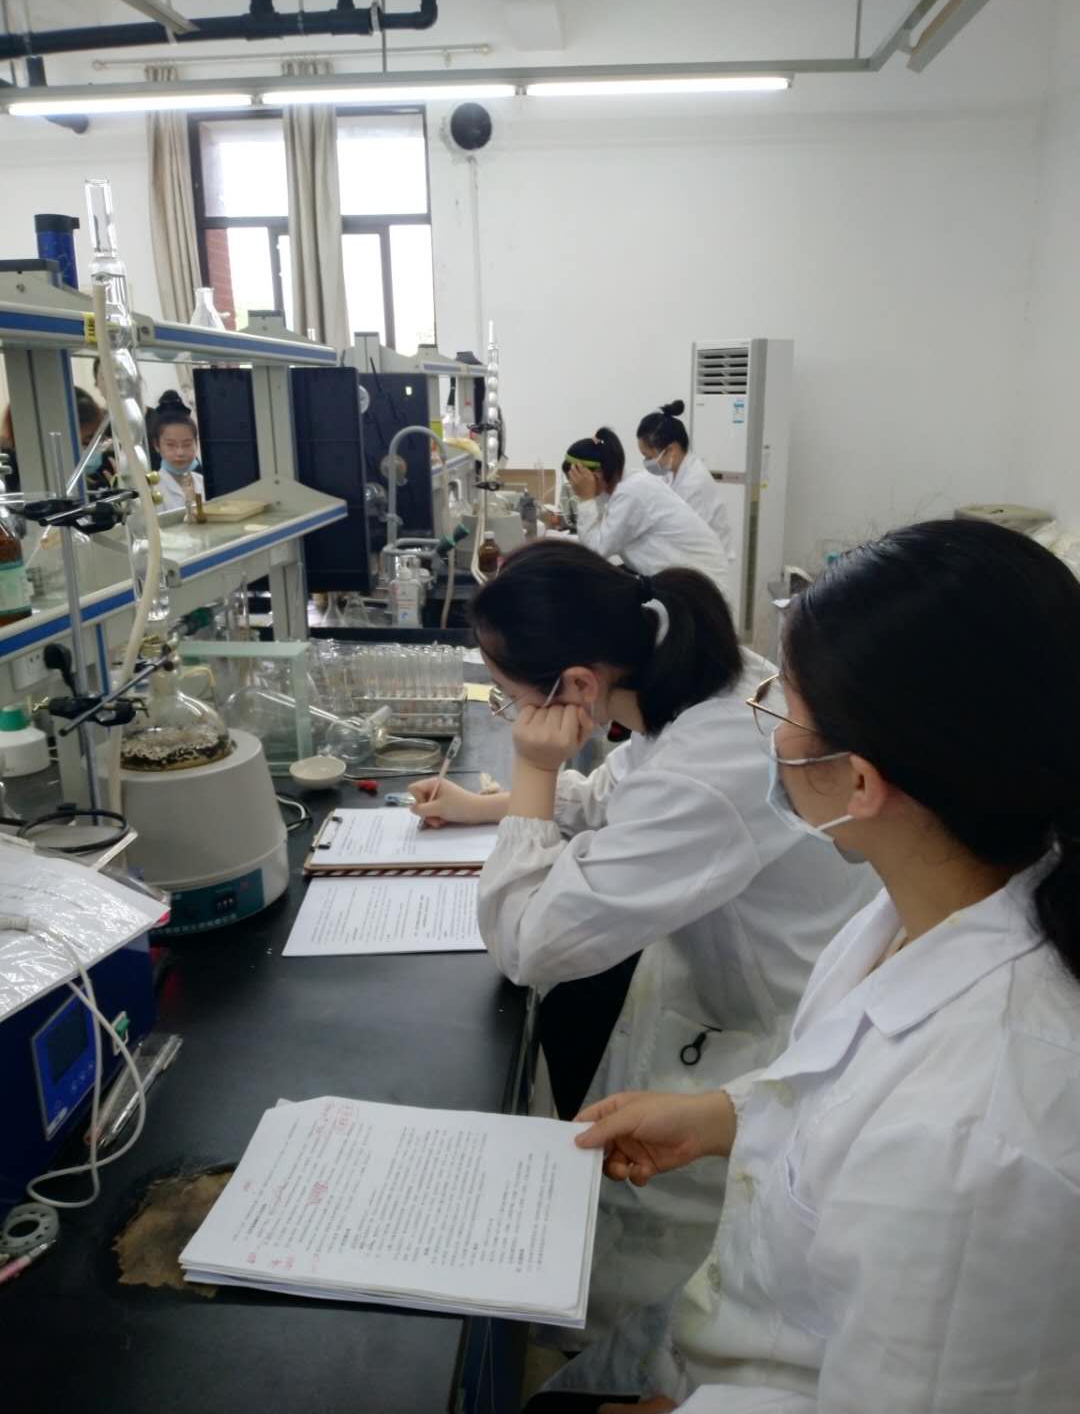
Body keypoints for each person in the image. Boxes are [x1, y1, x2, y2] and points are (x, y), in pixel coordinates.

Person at [540, 518, 1080, 1413]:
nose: (768, 729)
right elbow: (856, 1080)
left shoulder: (977, 1142)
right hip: (717, 1343)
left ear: (861, 782)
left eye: (783, 704)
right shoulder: (931, 902)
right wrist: (725, 1114)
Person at [409, 541, 876, 1341]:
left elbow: (528, 946)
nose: (513, 717)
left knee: (655, 1290)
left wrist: (531, 770)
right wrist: (486, 805)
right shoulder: (697, 678)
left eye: (510, 702)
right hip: (714, 1002)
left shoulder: (712, 764)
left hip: (767, 1036)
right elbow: (615, 793)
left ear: (576, 687)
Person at [565, 428, 730, 591]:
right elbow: (600, 531)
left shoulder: (631, 492)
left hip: (700, 587)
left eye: (576, 483)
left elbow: (595, 551)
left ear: (597, 474)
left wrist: (585, 499)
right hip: (685, 578)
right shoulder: (623, 485)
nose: (575, 488)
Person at [637, 401, 734, 566]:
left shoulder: (694, 483)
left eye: (649, 457)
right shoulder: (670, 473)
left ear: (671, 450)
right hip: (685, 559)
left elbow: (682, 537)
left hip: (705, 566)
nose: (647, 462)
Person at [150, 390, 204, 512]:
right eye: (171, 445)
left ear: (196, 443)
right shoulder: (153, 491)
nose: (180, 452)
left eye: (187, 444)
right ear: (157, 445)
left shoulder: (203, 482)